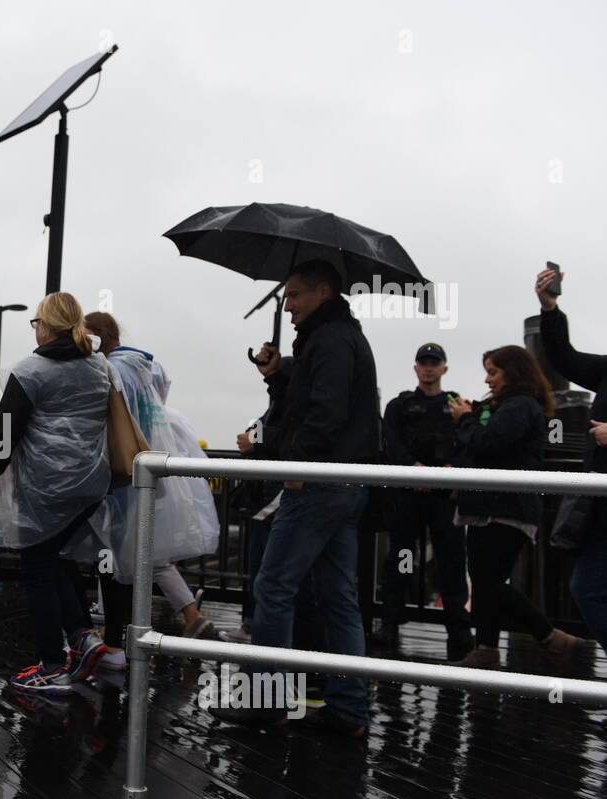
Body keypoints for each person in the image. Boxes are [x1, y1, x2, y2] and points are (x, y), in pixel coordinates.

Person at [220, 259, 380, 737]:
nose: (287, 306)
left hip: (318, 482)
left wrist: (296, 466)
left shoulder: (328, 339)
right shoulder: (339, 337)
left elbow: (324, 411)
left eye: (294, 296)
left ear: (323, 292)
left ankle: (266, 700)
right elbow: (312, 404)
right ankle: (349, 708)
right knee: (336, 597)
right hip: (346, 483)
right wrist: (275, 374)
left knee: (273, 587)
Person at [0, 291, 111, 695]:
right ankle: (83, 637)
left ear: (45, 325)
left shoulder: (30, 371)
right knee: (53, 557)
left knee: (37, 568)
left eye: (36, 322)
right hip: (91, 486)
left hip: (47, 489)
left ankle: (52, 664)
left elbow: (3, 438)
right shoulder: (100, 368)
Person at [81, 311, 221, 670]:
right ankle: (123, 634)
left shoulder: (115, 370)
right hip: (141, 476)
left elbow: (109, 422)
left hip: (120, 478)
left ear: (95, 337)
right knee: (133, 557)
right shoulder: (139, 369)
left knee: (115, 557)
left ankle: (115, 640)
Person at [447, 345, 591, 670]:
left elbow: (488, 444)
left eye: (493, 372)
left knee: (488, 582)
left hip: (503, 508)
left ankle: (551, 637)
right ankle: (486, 649)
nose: (488, 379)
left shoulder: (520, 406)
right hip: (491, 506)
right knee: (487, 580)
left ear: (513, 372)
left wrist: (466, 419)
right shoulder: (510, 406)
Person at [375, 343, 472, 659]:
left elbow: (469, 443)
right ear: (416, 367)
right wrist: (411, 468)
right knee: (401, 558)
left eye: (435, 363)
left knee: (451, 563)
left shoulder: (458, 406)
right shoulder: (400, 405)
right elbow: (390, 441)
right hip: (409, 495)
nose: (429, 368)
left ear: (444, 368)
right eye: (424, 363)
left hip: (445, 497)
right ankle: (389, 623)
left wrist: (451, 470)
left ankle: (458, 633)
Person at [537, 267, 607, 662]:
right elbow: (564, 358)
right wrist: (551, 308)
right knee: (587, 589)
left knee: (590, 589)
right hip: (600, 505)